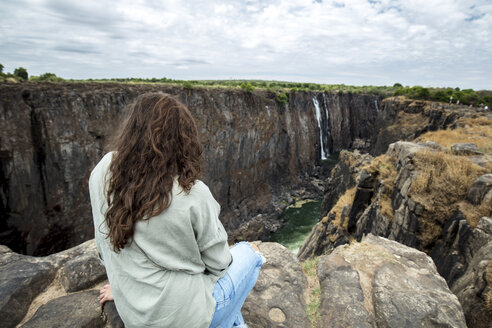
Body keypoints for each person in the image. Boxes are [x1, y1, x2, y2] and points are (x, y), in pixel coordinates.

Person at [89, 92, 264, 328]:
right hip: (183, 318)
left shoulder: (103, 171)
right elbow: (220, 263)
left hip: (134, 314)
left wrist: (123, 289)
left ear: (132, 130)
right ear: (183, 139)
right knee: (250, 253)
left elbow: (104, 248)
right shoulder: (191, 193)